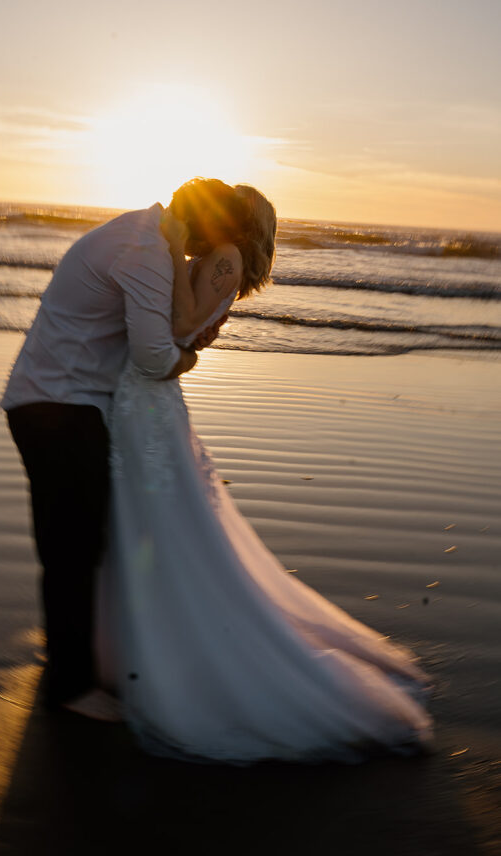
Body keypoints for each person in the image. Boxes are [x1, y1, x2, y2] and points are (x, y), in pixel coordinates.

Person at [95, 183, 434, 763]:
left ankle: (163, 657)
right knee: (146, 527)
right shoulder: (220, 259)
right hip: (144, 399)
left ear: (241, 222)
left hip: (146, 405)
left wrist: (173, 255)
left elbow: (183, 317)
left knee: (159, 528)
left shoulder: (222, 258)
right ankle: (129, 650)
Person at [1, 178, 250, 721]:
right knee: (73, 549)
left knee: (78, 544)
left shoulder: (141, 234)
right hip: (59, 407)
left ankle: (70, 664)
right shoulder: (146, 253)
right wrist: (190, 360)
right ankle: (70, 687)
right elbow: (153, 355)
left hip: (61, 401)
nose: (208, 254)